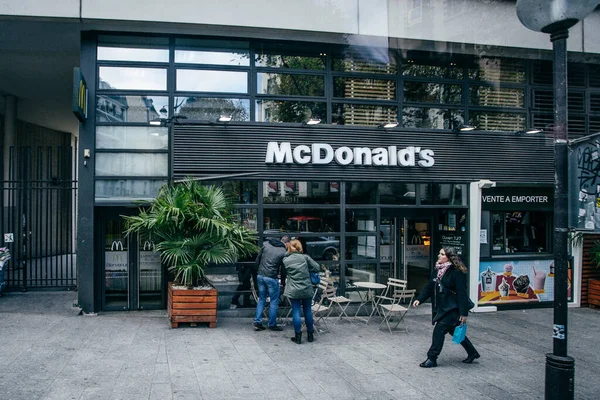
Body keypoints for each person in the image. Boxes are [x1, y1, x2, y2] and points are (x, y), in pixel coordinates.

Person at [413, 247, 480, 368]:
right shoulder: (438, 269)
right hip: (442, 307)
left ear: (449, 257)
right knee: (454, 331)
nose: (439, 256)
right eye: (439, 253)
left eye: (442, 254)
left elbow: (462, 294)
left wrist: (464, 313)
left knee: (439, 331)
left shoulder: (456, 272)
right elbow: (429, 286)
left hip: (452, 308)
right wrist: (419, 299)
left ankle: (432, 358)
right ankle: (472, 352)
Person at [282, 239, 321, 344]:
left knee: (296, 312)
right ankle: (310, 335)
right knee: (308, 311)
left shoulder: (286, 260)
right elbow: (317, 268)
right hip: (306, 289)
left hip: (294, 290)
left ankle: (298, 337)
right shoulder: (305, 258)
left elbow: (284, 273)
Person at [253, 236, 290, 331]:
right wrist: (282, 283)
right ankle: (272, 324)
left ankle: (257, 322)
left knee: (261, 299)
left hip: (260, 276)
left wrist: (256, 274)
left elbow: (258, 260)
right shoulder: (283, 252)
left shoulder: (266, 244)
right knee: (274, 301)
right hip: (271, 278)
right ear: (287, 243)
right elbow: (283, 270)